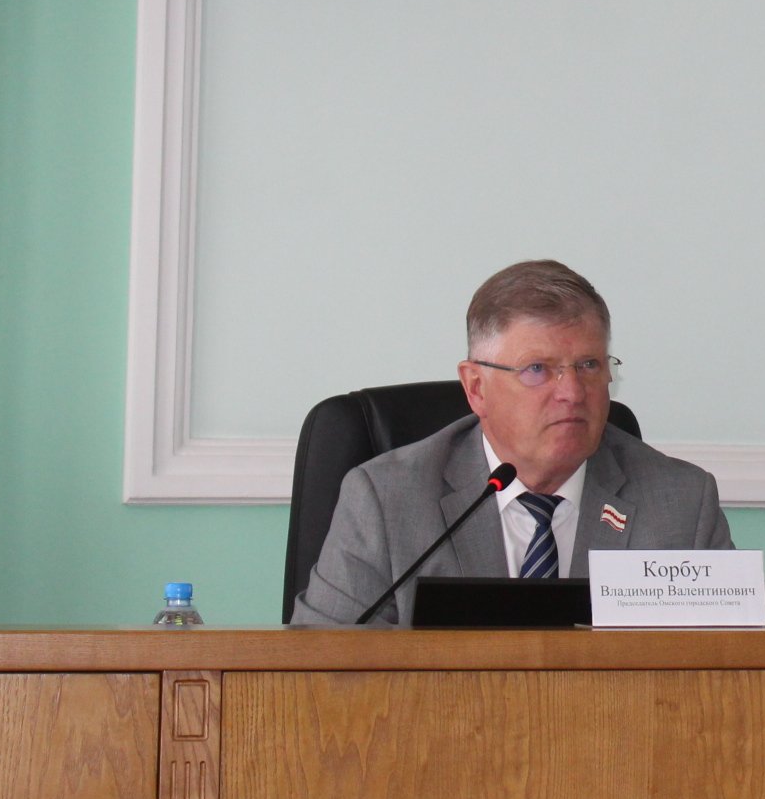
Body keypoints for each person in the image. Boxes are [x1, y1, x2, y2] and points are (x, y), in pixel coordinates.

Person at [291, 260, 735, 626]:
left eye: (588, 365)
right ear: (476, 388)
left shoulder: (681, 503)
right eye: (537, 369)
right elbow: (322, 672)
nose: (572, 392)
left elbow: (727, 675)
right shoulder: (386, 500)